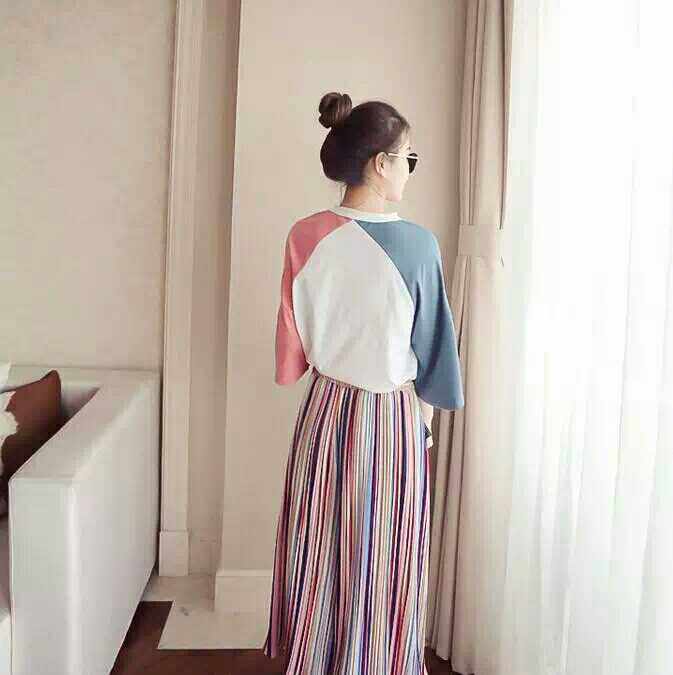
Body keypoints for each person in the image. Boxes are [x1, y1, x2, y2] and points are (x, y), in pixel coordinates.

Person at [261, 91, 465, 675]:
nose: (409, 170)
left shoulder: (304, 235)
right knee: (386, 553)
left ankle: (316, 658)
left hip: (325, 412)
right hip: (391, 418)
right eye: (408, 158)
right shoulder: (419, 245)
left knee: (320, 544)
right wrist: (425, 424)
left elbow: (291, 343)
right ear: (381, 162)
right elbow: (434, 351)